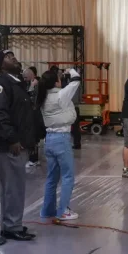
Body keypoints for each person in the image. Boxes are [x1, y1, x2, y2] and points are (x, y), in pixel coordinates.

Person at [0, 50, 36, 241]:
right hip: (8, 144)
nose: (13, 58)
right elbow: (0, 114)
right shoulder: (0, 84)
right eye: (8, 57)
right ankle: (12, 226)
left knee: (13, 186)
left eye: (13, 55)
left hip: (16, 142)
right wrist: (12, 139)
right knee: (13, 186)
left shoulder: (14, 82)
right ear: (0, 64)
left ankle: (11, 225)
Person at [38, 68, 82, 221]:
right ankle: (63, 211)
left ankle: (47, 210)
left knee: (52, 178)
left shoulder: (43, 97)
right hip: (62, 139)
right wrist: (70, 70)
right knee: (68, 176)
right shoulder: (60, 95)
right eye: (59, 78)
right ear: (56, 81)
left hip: (49, 139)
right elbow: (76, 80)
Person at [24, 66, 41, 168]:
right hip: (31, 114)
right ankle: (33, 158)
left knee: (34, 138)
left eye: (26, 77)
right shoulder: (31, 84)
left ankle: (33, 159)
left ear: (32, 75)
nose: (24, 79)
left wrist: (31, 88)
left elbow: (32, 100)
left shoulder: (36, 85)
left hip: (34, 115)